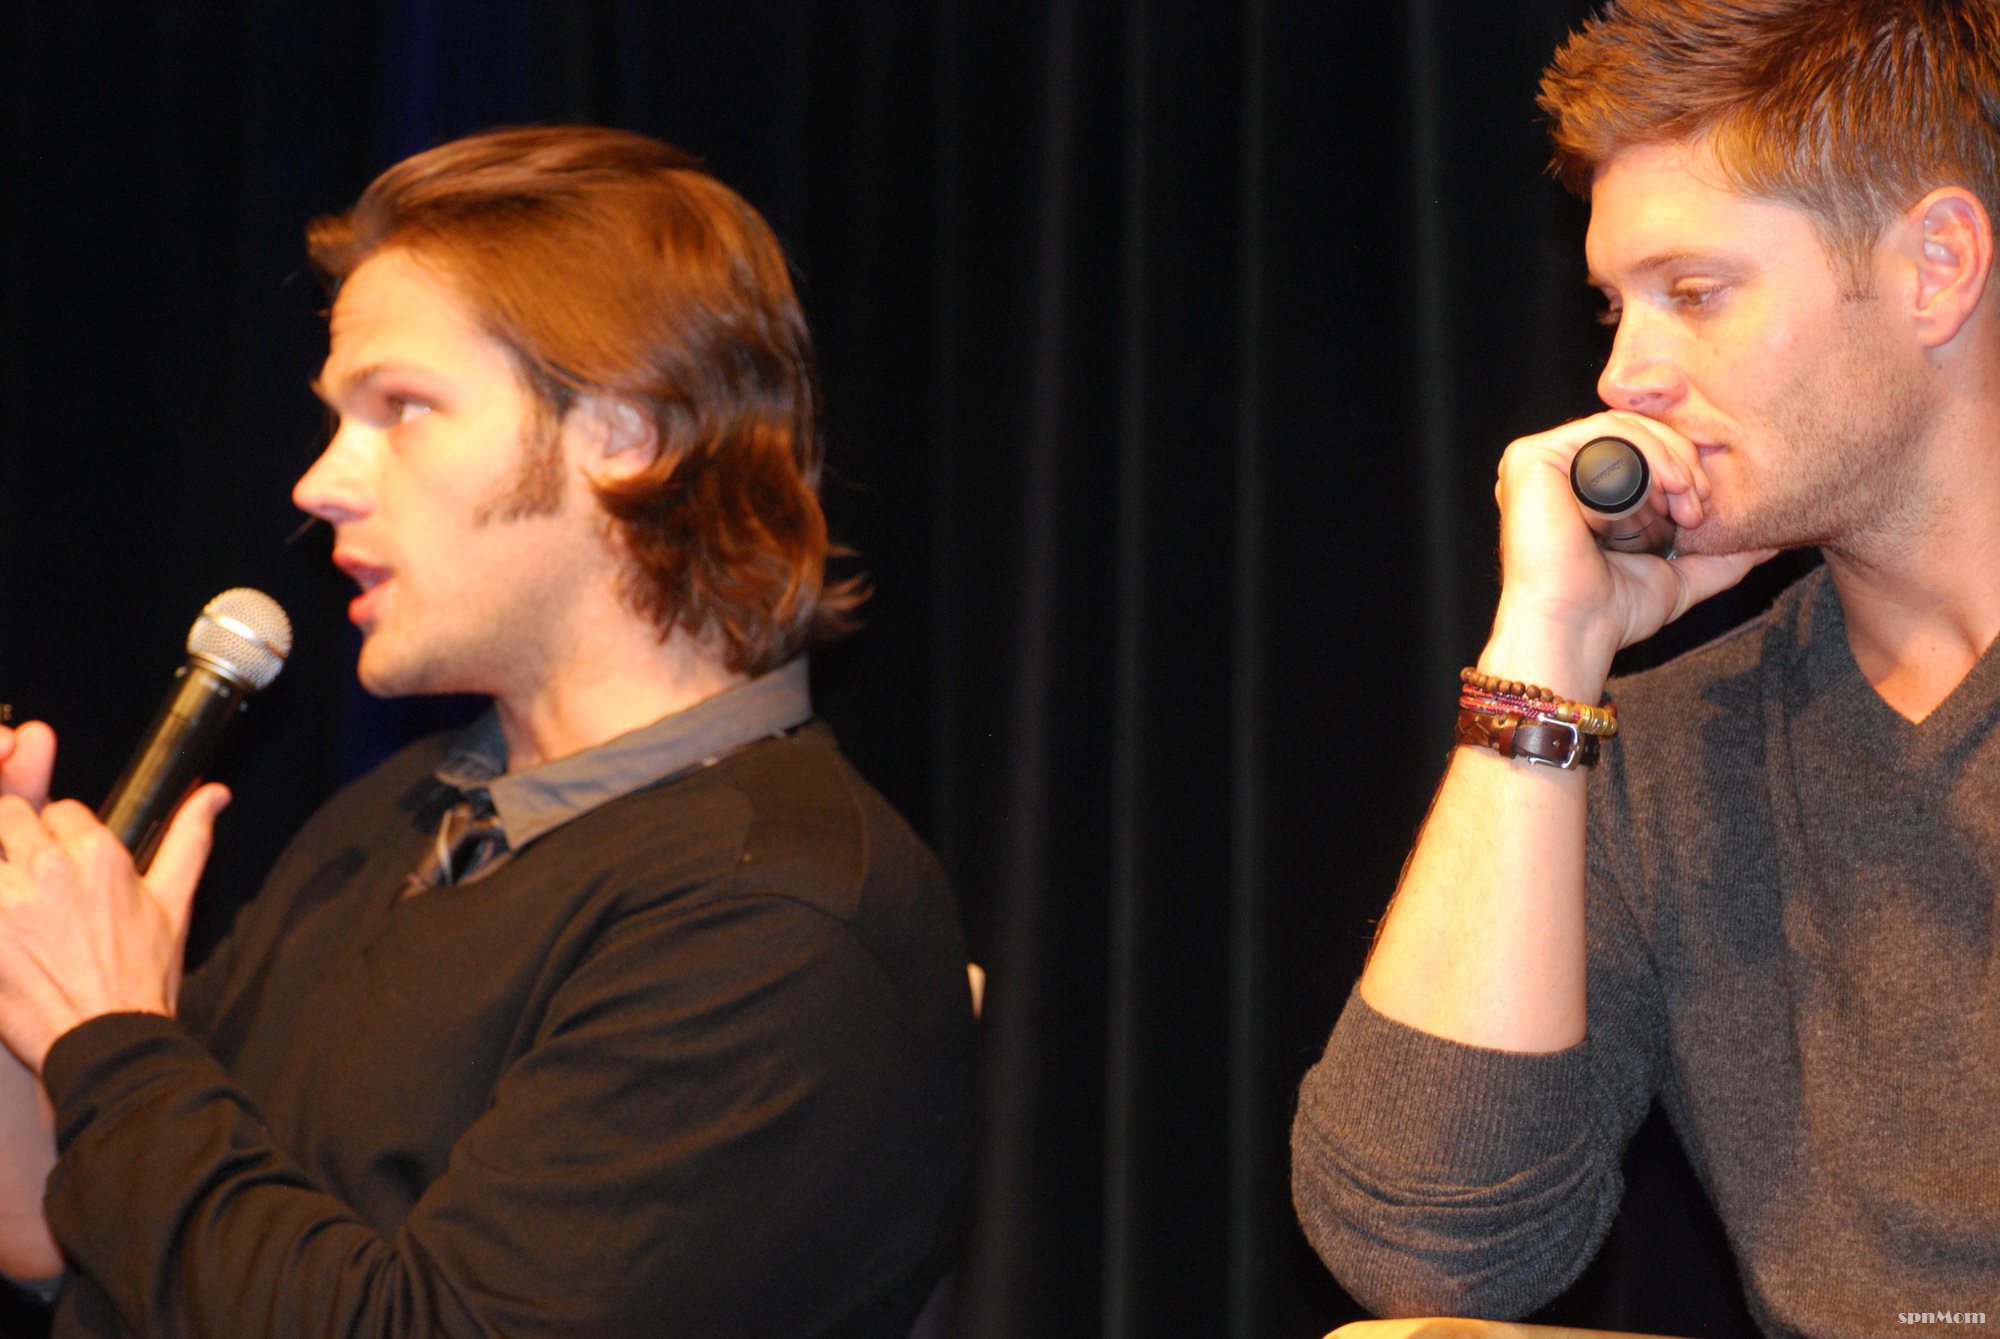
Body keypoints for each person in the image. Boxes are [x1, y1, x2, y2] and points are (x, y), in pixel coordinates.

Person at [0, 125, 976, 1337]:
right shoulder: (398, 816)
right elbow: (83, 1225)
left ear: (627, 433)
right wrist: (30, 985)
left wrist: (109, 1030)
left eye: (402, 407)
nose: (319, 483)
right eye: (338, 417)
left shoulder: (773, 910)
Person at [1291, 2, 2000, 1334]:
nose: (1623, 375)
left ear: (1935, 267)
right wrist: (1543, 659)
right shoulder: (1677, 748)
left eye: (1695, 293)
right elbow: (1424, 1238)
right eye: (1614, 308)